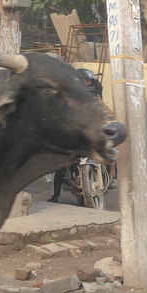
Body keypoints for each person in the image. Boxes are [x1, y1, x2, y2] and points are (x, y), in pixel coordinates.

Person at [49, 68, 105, 204]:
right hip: (73, 132)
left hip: (90, 130)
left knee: (106, 152)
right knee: (60, 166)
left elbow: (102, 108)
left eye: (88, 81)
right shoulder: (69, 94)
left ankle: (106, 177)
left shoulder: (95, 94)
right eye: (84, 80)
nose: (87, 83)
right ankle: (55, 195)